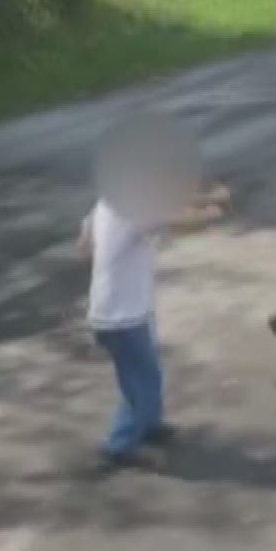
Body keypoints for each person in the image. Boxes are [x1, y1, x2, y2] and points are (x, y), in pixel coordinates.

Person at [77, 180, 229, 469]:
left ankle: (147, 425)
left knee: (139, 376)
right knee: (144, 382)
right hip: (123, 317)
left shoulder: (105, 204)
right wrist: (214, 210)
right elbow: (180, 220)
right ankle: (118, 447)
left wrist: (208, 196)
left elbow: (83, 248)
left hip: (115, 311)